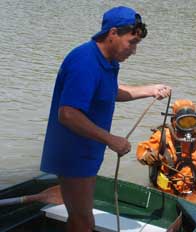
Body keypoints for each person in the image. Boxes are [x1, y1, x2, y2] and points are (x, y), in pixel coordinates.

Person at [40, 6, 171, 232]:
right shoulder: (85, 62)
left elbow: (108, 91)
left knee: (79, 218)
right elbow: (68, 113)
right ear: (113, 34)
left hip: (88, 152)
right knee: (84, 222)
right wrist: (110, 139)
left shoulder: (108, 62)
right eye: (132, 42)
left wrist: (149, 90)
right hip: (72, 154)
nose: (134, 51)